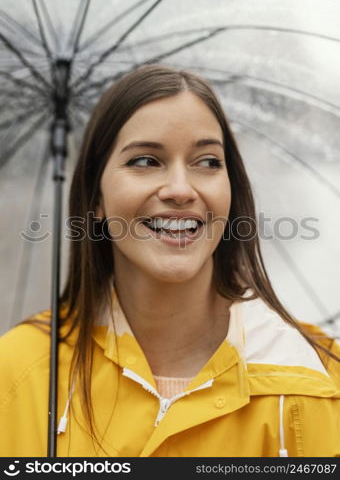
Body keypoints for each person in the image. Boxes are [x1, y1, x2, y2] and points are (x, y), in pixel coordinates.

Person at [0, 65, 339, 458]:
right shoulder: (17, 373)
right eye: (145, 161)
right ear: (95, 198)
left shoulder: (315, 380)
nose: (181, 190)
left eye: (208, 162)